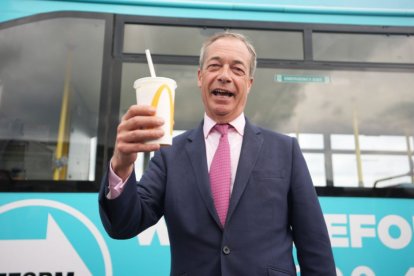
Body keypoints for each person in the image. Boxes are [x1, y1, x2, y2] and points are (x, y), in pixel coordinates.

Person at [99, 32, 336, 276]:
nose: (224, 76)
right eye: (214, 66)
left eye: (237, 69)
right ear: (200, 77)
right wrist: (121, 165)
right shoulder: (169, 154)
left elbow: (315, 247)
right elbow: (122, 225)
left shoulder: (286, 151)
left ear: (249, 83)